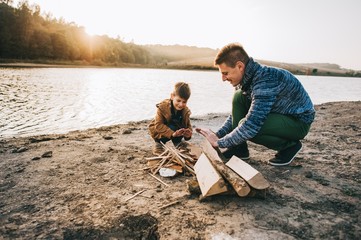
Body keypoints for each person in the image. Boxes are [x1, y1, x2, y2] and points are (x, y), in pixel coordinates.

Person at [196, 43, 315, 166]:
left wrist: (219, 143)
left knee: (246, 126)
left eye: (225, 73)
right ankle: (239, 149)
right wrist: (217, 134)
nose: (223, 78)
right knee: (238, 97)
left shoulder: (264, 80)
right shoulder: (243, 81)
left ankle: (289, 147)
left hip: (299, 121)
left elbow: (252, 125)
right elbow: (235, 115)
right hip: (278, 114)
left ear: (240, 66)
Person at [148, 82, 193, 155]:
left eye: (184, 102)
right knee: (166, 127)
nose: (181, 104)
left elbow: (188, 126)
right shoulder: (162, 107)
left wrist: (188, 134)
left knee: (181, 127)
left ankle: (178, 143)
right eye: (178, 100)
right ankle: (159, 144)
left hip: (177, 132)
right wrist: (172, 134)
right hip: (160, 132)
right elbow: (158, 125)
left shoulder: (186, 111)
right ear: (172, 96)